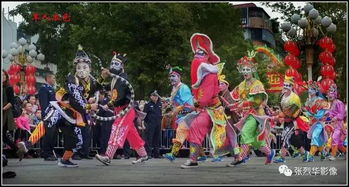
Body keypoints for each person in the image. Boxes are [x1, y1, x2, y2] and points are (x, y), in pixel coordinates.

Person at [17, 45, 100, 167]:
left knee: (75, 140)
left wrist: (103, 80)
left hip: (71, 116)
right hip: (60, 109)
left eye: (84, 67)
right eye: (79, 67)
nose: (82, 69)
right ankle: (27, 144)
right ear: (75, 68)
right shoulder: (72, 79)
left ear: (89, 68)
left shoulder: (89, 82)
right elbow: (75, 99)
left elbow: (93, 90)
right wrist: (88, 106)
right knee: (47, 123)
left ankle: (65, 160)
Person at [179, 33, 232, 169]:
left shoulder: (210, 73)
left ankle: (193, 159)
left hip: (213, 109)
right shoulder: (201, 73)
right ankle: (238, 155)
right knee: (188, 127)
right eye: (196, 53)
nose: (197, 56)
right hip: (205, 108)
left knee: (197, 127)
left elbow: (206, 96)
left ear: (207, 57)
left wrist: (195, 105)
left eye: (201, 53)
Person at [95, 52, 148, 165]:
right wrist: (101, 78)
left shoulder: (122, 79)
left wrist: (108, 105)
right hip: (120, 110)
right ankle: (143, 155)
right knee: (131, 134)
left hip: (125, 110)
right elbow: (103, 87)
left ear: (122, 66)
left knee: (117, 128)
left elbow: (119, 97)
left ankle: (108, 156)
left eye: (116, 64)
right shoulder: (115, 79)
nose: (113, 66)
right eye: (112, 63)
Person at [227, 50, 275, 167]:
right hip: (245, 115)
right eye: (243, 70)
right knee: (256, 140)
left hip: (255, 115)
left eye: (247, 69)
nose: (245, 72)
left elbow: (257, 101)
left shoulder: (257, 84)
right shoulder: (241, 85)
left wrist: (241, 105)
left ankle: (241, 157)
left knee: (245, 133)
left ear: (253, 70)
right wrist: (231, 104)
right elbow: (234, 97)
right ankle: (270, 153)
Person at [273, 76, 310, 163]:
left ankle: (282, 157)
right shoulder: (282, 95)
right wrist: (278, 113)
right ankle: (305, 154)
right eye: (284, 85)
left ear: (292, 86)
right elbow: (281, 108)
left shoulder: (295, 98)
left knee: (284, 137)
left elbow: (294, 112)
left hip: (294, 121)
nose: (285, 87)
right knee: (294, 139)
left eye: (288, 85)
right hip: (286, 121)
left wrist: (281, 115)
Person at [303, 80, 329, 162]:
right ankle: (323, 153)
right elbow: (307, 112)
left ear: (316, 90)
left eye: (312, 89)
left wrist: (311, 114)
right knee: (317, 139)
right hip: (312, 123)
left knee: (314, 136)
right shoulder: (308, 101)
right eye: (309, 89)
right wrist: (305, 112)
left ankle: (310, 156)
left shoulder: (320, 100)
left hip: (319, 123)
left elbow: (321, 114)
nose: (309, 90)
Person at [38, 72, 58, 161]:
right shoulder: (44, 89)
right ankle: (47, 153)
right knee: (48, 135)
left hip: (53, 115)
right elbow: (44, 104)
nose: (54, 80)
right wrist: (46, 115)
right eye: (53, 78)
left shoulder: (51, 89)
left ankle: (50, 151)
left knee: (52, 135)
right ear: (48, 78)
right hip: (48, 116)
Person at [324, 83, 346, 161]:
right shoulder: (332, 103)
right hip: (333, 125)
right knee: (339, 143)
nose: (329, 96)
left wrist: (335, 118)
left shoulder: (339, 103)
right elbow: (330, 114)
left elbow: (341, 114)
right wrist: (326, 116)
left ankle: (333, 155)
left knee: (334, 138)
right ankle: (346, 152)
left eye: (331, 93)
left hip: (339, 125)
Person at [2, 70, 19, 157]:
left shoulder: (8, 87)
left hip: (5, 114)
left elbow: (11, 102)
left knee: (3, 136)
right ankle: (18, 150)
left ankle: (17, 150)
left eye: (4, 76)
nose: (2, 77)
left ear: (6, 77)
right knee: (3, 137)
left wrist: (3, 109)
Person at [143, 91, 163, 159]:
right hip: (150, 124)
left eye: (156, 96)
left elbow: (160, 114)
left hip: (158, 124)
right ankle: (148, 154)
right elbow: (144, 115)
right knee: (149, 139)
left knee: (157, 139)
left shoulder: (159, 104)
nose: (155, 97)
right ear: (151, 97)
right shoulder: (147, 104)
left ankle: (156, 154)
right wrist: (146, 124)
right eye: (154, 96)